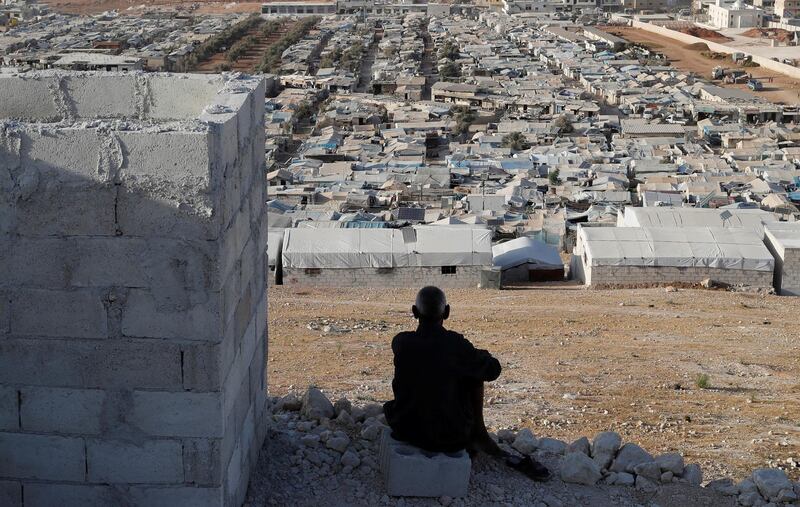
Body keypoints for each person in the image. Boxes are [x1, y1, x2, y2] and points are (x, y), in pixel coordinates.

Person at [383, 286, 550, 481]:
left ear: (414, 312)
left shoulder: (401, 342)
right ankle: (479, 434)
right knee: (474, 371)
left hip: (405, 429)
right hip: (449, 437)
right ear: (446, 312)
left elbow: (428, 354)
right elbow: (493, 370)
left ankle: (478, 435)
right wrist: (480, 355)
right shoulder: (456, 346)